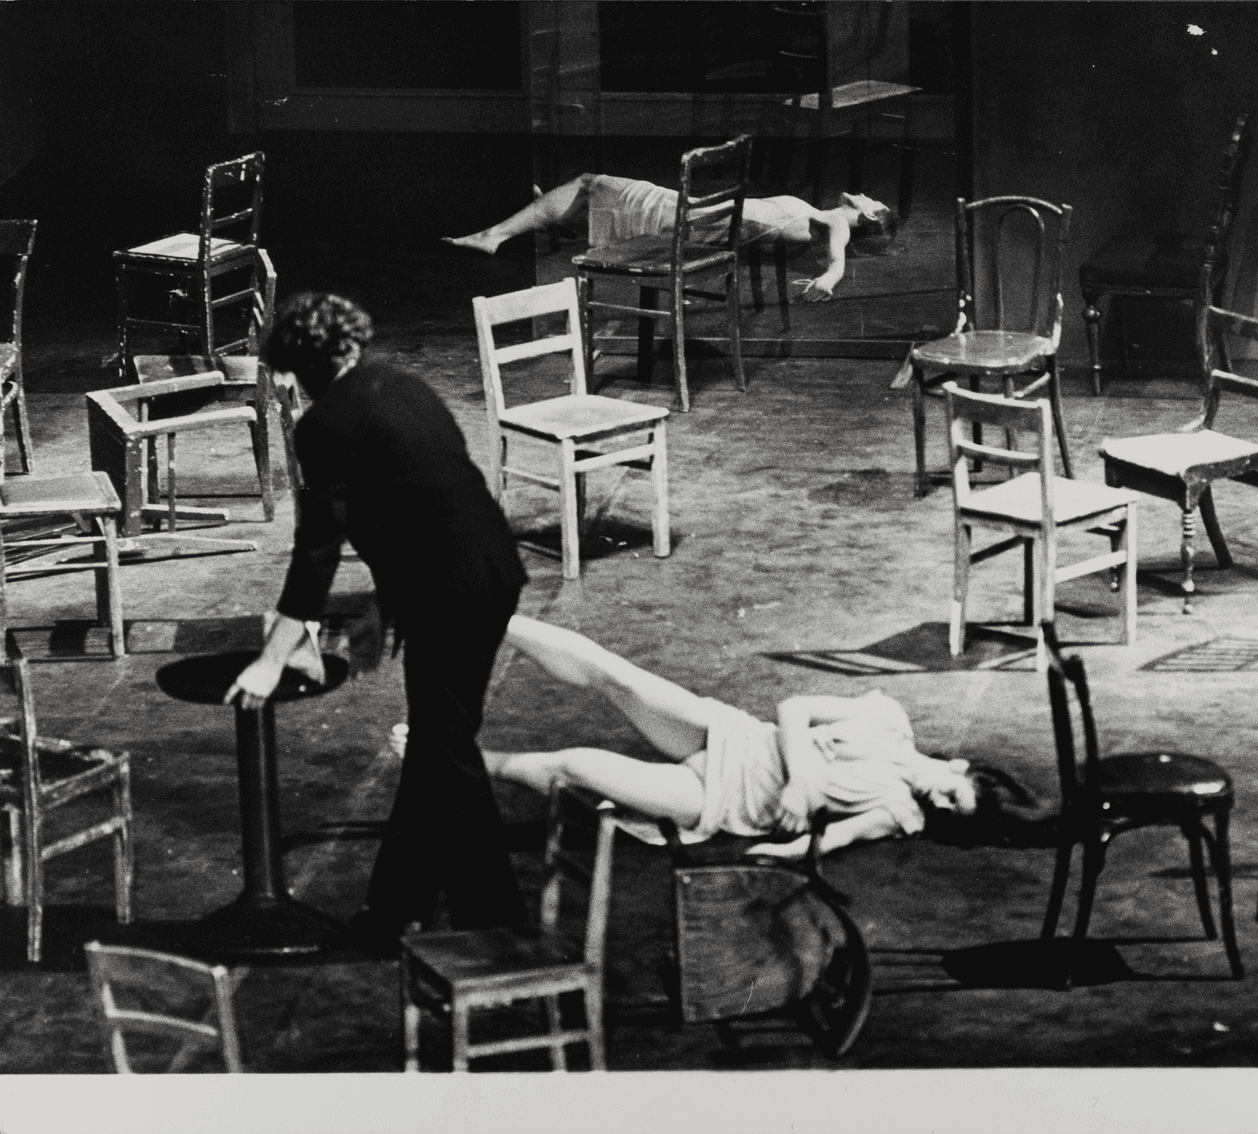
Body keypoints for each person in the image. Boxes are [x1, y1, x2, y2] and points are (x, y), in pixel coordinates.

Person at [226, 292, 531, 955]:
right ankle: (395, 907)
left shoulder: (324, 425)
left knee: (445, 751)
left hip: (452, 590)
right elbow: (414, 507)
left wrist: (274, 655)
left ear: (292, 369)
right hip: (489, 570)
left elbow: (317, 550)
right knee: (436, 746)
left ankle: (499, 927)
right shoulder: (405, 387)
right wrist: (383, 609)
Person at [485, 616, 1042, 858]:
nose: (938, 800)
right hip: (735, 737)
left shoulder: (898, 810)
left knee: (578, 765)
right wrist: (801, 784)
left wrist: (773, 853)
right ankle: (488, 611)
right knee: (619, 676)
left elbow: (825, 844)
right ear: (960, 765)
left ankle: (466, 759)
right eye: (952, 792)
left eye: (949, 811)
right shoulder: (888, 719)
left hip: (724, 800)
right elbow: (793, 707)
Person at [441, 174, 896, 303]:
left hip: (686, 217)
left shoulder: (835, 222)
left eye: (870, 198)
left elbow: (836, 260)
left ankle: (497, 234)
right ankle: (546, 216)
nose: (863, 191)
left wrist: (829, 280)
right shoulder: (821, 216)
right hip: (692, 215)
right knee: (590, 193)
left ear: (868, 214)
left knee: (591, 183)